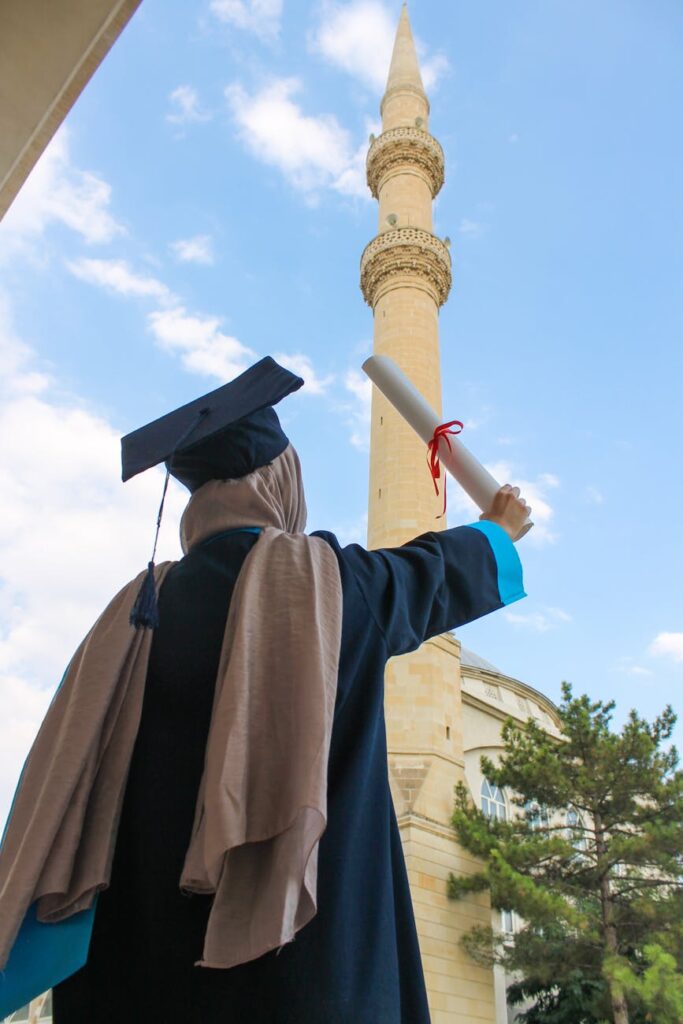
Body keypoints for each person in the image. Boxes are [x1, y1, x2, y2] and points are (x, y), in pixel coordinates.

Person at [0, 357, 529, 1024]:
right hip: (306, 977)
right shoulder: (332, 590)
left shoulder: (132, 618)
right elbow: (435, 570)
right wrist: (497, 526)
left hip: (132, 976)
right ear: (281, 482)